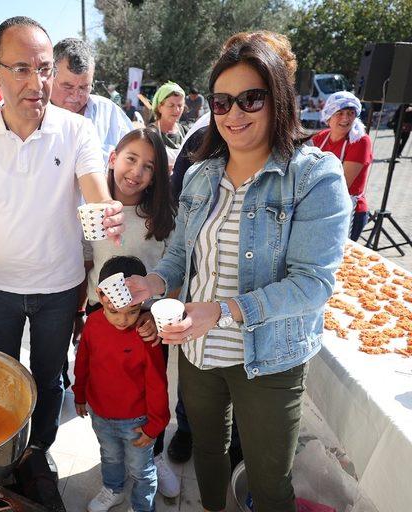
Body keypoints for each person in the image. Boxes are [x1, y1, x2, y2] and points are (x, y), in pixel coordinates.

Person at [126, 37, 351, 512]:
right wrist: (154, 284)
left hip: (269, 360)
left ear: (278, 98)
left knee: (270, 483)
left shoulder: (314, 176)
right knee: (208, 452)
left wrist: (224, 311)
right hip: (197, 349)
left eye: (251, 98)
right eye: (222, 102)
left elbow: (313, 284)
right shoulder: (203, 174)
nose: (234, 114)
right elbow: (182, 253)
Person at [0, 17, 125, 452]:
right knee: (0, 379)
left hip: (59, 287)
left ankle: (39, 455)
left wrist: (106, 211)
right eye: (21, 69)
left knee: (49, 377)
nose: (36, 82)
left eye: (44, 69)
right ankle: (6, 454)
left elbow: (95, 191)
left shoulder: (77, 129)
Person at [81, 127, 180, 497]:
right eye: (131, 159)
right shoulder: (91, 209)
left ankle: (153, 456)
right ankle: (113, 469)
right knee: (109, 387)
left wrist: (157, 315)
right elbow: (87, 261)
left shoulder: (162, 217)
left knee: (149, 391)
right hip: (100, 313)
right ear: (112, 159)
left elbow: (176, 270)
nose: (137, 172)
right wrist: (83, 314)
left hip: (147, 319)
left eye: (149, 167)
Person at [74, 256, 170, 512]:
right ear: (100, 295)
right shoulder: (93, 324)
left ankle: (141, 506)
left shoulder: (146, 334)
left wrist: (155, 425)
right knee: (110, 456)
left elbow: (158, 383)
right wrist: (79, 394)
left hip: (137, 421)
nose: (123, 320)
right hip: (100, 414)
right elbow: (82, 361)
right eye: (114, 311)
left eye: (133, 311)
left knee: (141, 469)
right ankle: (113, 489)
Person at [51, 38, 133, 164]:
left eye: (84, 87)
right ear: (49, 78)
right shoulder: (31, 118)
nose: (76, 95)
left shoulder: (109, 113)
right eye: (67, 87)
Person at [312, 91, 373, 242]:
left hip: (347, 209)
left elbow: (342, 184)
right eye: (339, 113)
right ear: (328, 117)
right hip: (320, 206)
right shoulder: (321, 137)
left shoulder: (360, 141)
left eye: (350, 113)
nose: (345, 118)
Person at [149, 82, 187, 170]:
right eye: (171, 105)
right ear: (160, 107)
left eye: (180, 106)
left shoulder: (185, 131)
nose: (176, 110)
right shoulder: (151, 133)